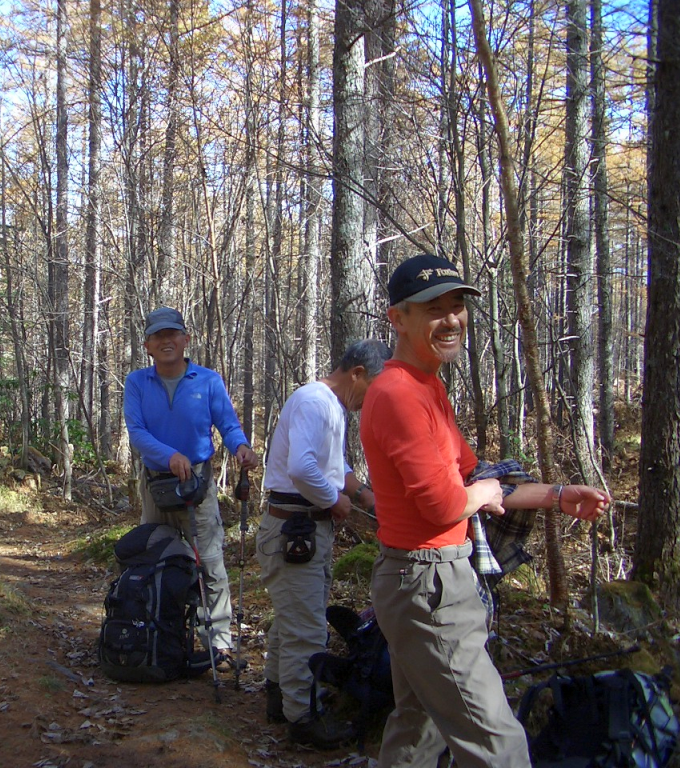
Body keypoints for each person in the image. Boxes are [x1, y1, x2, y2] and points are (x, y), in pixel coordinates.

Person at [359, 253, 612, 768]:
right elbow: (445, 504)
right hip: (427, 587)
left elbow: (477, 483)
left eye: (457, 306)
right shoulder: (398, 394)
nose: (450, 319)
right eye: (433, 308)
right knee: (501, 748)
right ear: (397, 318)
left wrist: (559, 496)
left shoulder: (429, 388)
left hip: (425, 582)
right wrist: (479, 493)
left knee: (419, 729)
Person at [257, 339, 389, 749]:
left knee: (294, 616)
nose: (373, 401)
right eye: (375, 389)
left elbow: (334, 465)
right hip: (296, 528)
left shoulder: (327, 405)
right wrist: (336, 501)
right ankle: (305, 716)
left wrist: (363, 494)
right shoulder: (317, 402)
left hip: (301, 527)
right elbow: (302, 468)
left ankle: (279, 693)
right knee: (307, 629)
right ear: (357, 374)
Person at [123, 306, 260, 672]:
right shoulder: (137, 382)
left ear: (186, 339)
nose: (166, 341)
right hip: (156, 484)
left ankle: (217, 645)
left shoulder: (208, 380)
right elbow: (136, 433)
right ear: (148, 345)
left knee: (210, 562)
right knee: (154, 558)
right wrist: (169, 457)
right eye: (158, 336)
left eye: (173, 334)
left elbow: (227, 424)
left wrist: (241, 447)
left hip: (197, 485)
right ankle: (158, 632)